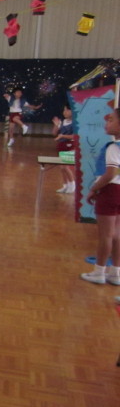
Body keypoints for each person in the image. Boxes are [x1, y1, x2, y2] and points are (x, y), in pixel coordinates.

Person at [81, 109, 120, 285]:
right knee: (117, 234)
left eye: (111, 120)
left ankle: (99, 271)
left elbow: (110, 174)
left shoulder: (113, 147)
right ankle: (116, 273)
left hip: (110, 192)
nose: (106, 123)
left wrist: (94, 189)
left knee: (106, 235)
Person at [52, 104, 76, 194]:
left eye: (67, 110)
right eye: (64, 110)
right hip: (61, 145)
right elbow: (54, 133)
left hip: (70, 146)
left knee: (65, 166)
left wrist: (63, 136)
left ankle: (72, 184)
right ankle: (65, 185)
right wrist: (56, 125)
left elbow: (74, 136)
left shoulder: (75, 123)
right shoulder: (63, 122)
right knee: (62, 167)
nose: (64, 112)